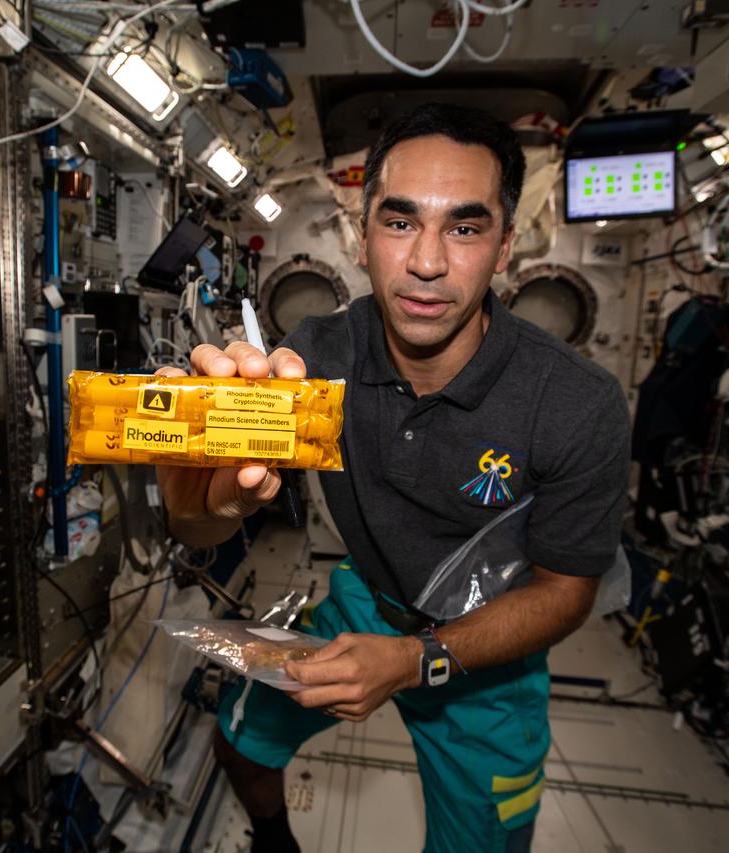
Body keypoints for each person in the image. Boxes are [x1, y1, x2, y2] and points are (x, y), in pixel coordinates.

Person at [157, 102, 630, 853]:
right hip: (368, 602)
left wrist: (421, 658)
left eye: (466, 228)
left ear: (505, 247)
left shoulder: (574, 401)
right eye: (401, 221)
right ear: (362, 234)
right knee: (242, 745)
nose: (428, 262)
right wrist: (201, 497)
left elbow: (565, 590)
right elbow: (199, 526)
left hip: (485, 647)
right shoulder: (316, 357)